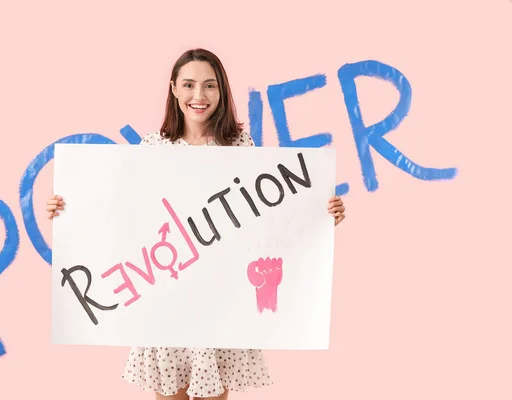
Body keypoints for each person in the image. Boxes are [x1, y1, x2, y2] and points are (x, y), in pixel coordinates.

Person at [46, 48, 346, 400]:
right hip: (165, 297)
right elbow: (119, 215)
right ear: (174, 89)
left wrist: (319, 216)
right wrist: (68, 211)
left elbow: (265, 219)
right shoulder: (152, 147)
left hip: (220, 299)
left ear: (222, 92)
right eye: (189, 85)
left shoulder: (240, 146)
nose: (199, 96)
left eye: (209, 86)